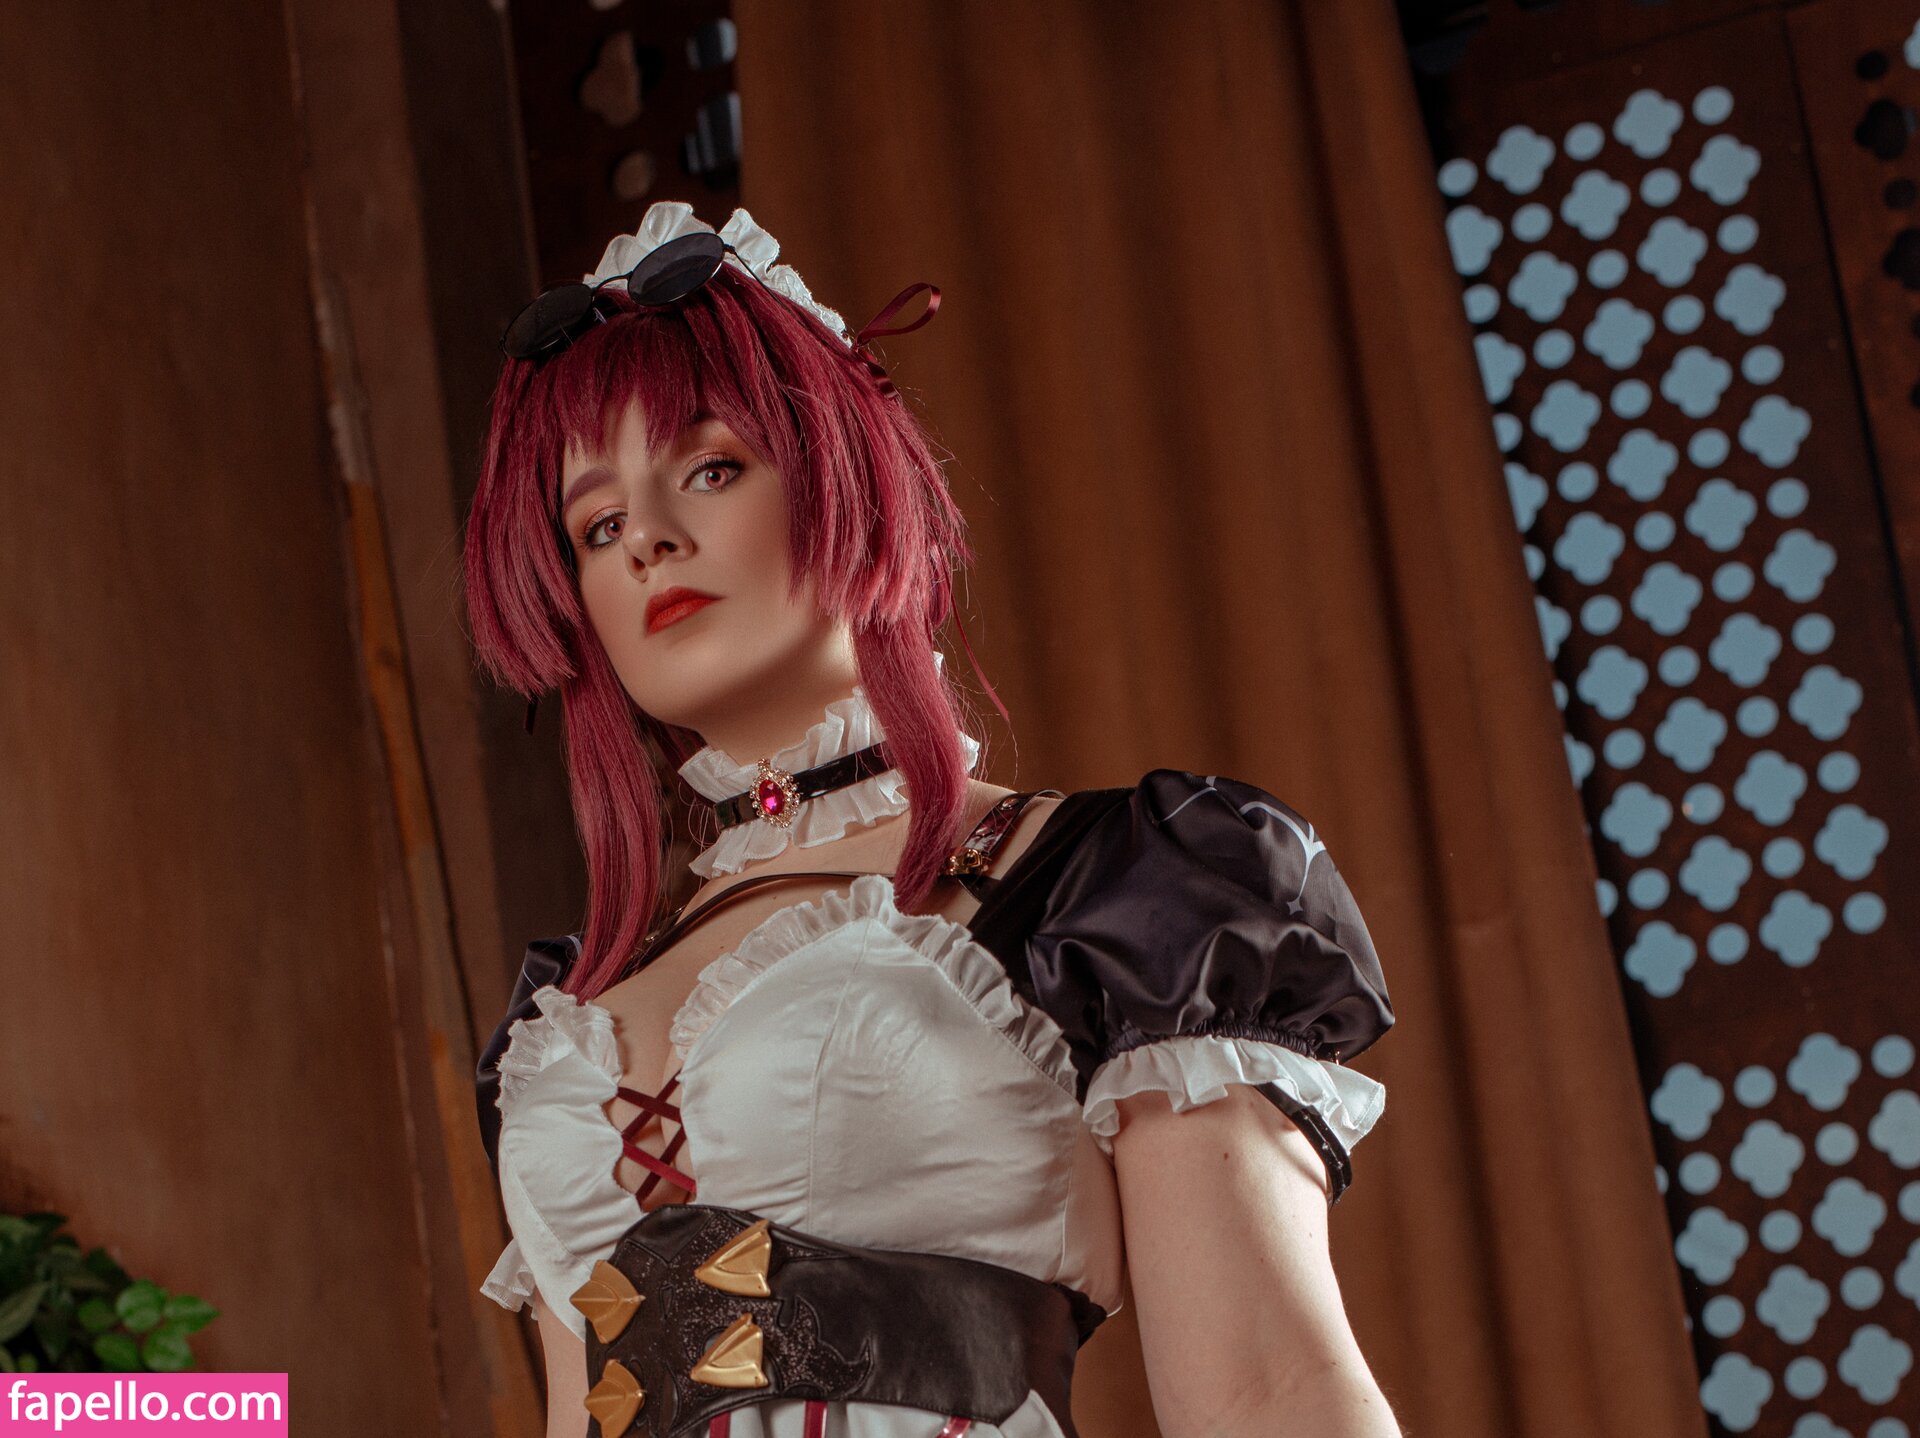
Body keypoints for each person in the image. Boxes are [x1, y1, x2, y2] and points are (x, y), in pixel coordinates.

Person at [462, 201, 1400, 1438]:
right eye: (596, 524)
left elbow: (1270, 1393)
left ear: (843, 477)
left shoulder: (1121, 891)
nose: (647, 539)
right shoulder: (562, 1014)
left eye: (709, 467)